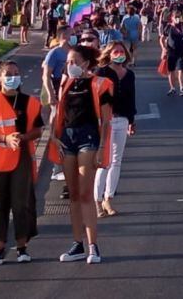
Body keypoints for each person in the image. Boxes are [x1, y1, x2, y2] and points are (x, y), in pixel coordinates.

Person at [49, 45, 113, 265]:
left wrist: (102, 147)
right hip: (67, 139)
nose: (70, 65)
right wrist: (53, 135)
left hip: (89, 138)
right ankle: (78, 244)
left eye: (74, 61)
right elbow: (58, 111)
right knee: (74, 194)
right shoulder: (66, 83)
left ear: (86, 63)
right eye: (68, 62)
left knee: (85, 193)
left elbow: (106, 120)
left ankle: (93, 245)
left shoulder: (100, 84)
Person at [0, 60, 43, 265]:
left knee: (21, 203)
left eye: (16, 73)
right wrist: (4, 139)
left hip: (21, 157)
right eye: (8, 74)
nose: (13, 77)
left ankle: (22, 247)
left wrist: (23, 137)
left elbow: (38, 130)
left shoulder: (30, 102)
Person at [94, 41, 136, 218]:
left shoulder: (129, 74)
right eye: (115, 51)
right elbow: (97, 97)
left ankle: (108, 198)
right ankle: (97, 201)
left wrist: (131, 120)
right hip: (106, 120)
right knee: (105, 161)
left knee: (116, 161)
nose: (119, 54)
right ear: (109, 54)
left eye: (121, 51)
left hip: (122, 119)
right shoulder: (102, 72)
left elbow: (132, 97)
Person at [43, 27, 73, 188]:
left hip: (71, 92)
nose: (74, 36)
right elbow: (46, 75)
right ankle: (56, 167)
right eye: (71, 34)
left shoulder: (74, 52)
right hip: (58, 90)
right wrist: (51, 94)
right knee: (57, 128)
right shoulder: (54, 53)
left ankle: (67, 166)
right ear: (63, 36)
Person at [163, 13, 183, 96]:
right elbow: (162, 38)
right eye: (175, 17)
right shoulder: (168, 27)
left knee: (181, 70)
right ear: (172, 18)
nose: (177, 19)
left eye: (178, 17)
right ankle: (172, 88)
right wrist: (164, 48)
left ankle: (182, 88)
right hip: (171, 52)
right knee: (171, 70)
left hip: (181, 52)